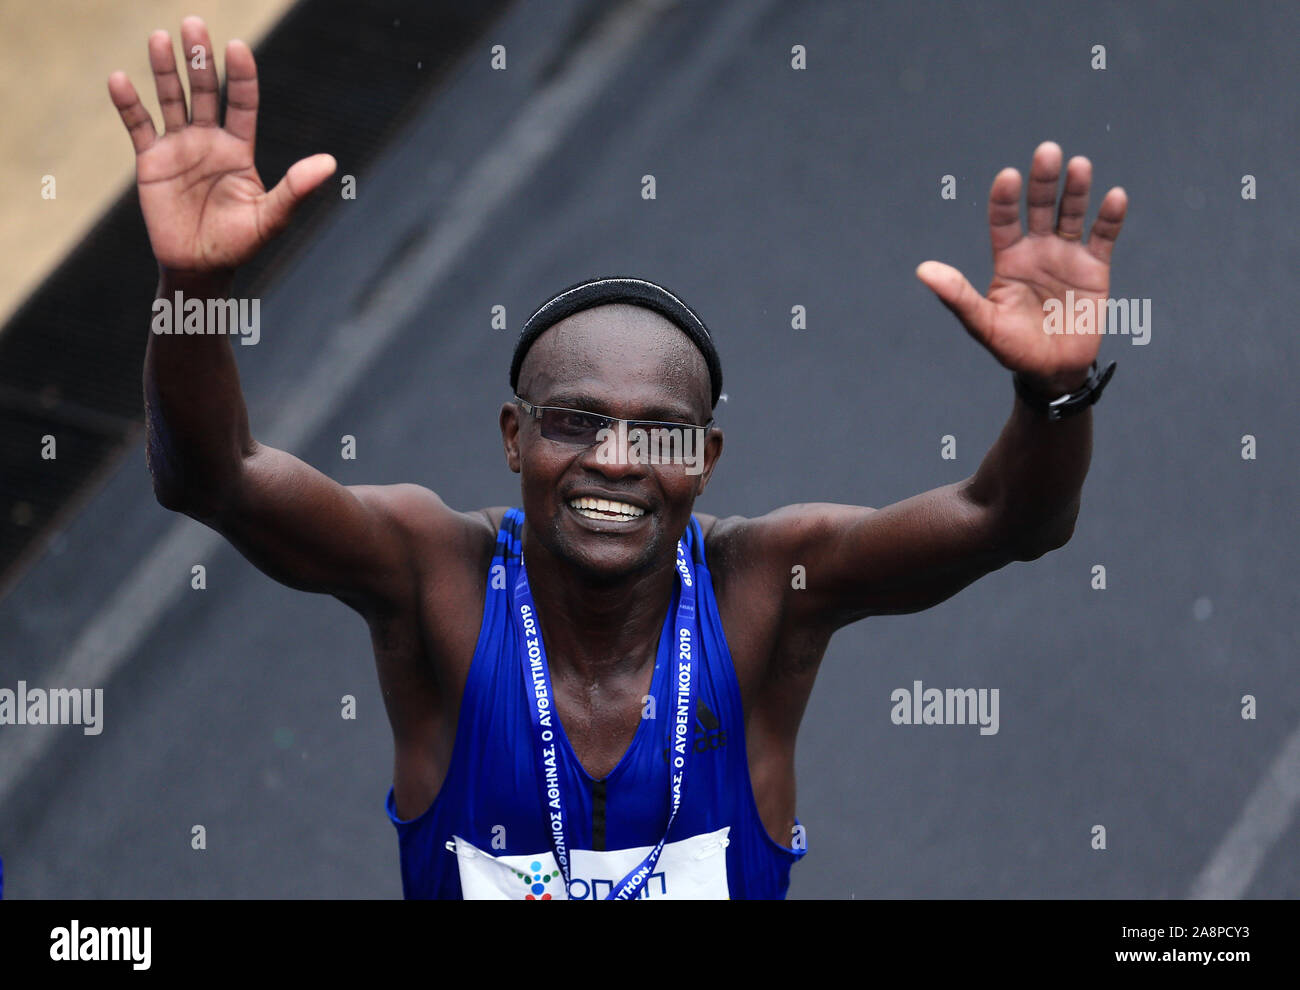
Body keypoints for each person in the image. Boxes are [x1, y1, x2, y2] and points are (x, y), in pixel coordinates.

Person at [108, 17, 1127, 899]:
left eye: (660, 432)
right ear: (514, 438)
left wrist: (1051, 392)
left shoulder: (771, 590)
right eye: (574, 421)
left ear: (706, 460)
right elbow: (211, 476)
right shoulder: (433, 578)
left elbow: (1013, 520)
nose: (616, 460)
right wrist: (189, 287)